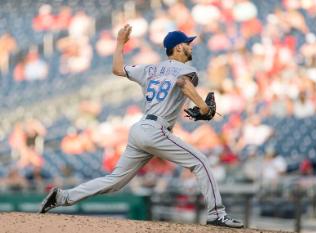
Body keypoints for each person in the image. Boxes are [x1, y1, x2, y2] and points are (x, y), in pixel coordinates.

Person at [39, 25, 243, 228]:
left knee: (115, 180)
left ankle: (62, 197)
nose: (191, 47)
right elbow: (182, 82)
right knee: (201, 162)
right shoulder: (187, 69)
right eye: (187, 44)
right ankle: (217, 214)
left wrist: (120, 43)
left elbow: (117, 69)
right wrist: (204, 108)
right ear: (178, 48)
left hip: (140, 129)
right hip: (157, 130)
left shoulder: (149, 68)